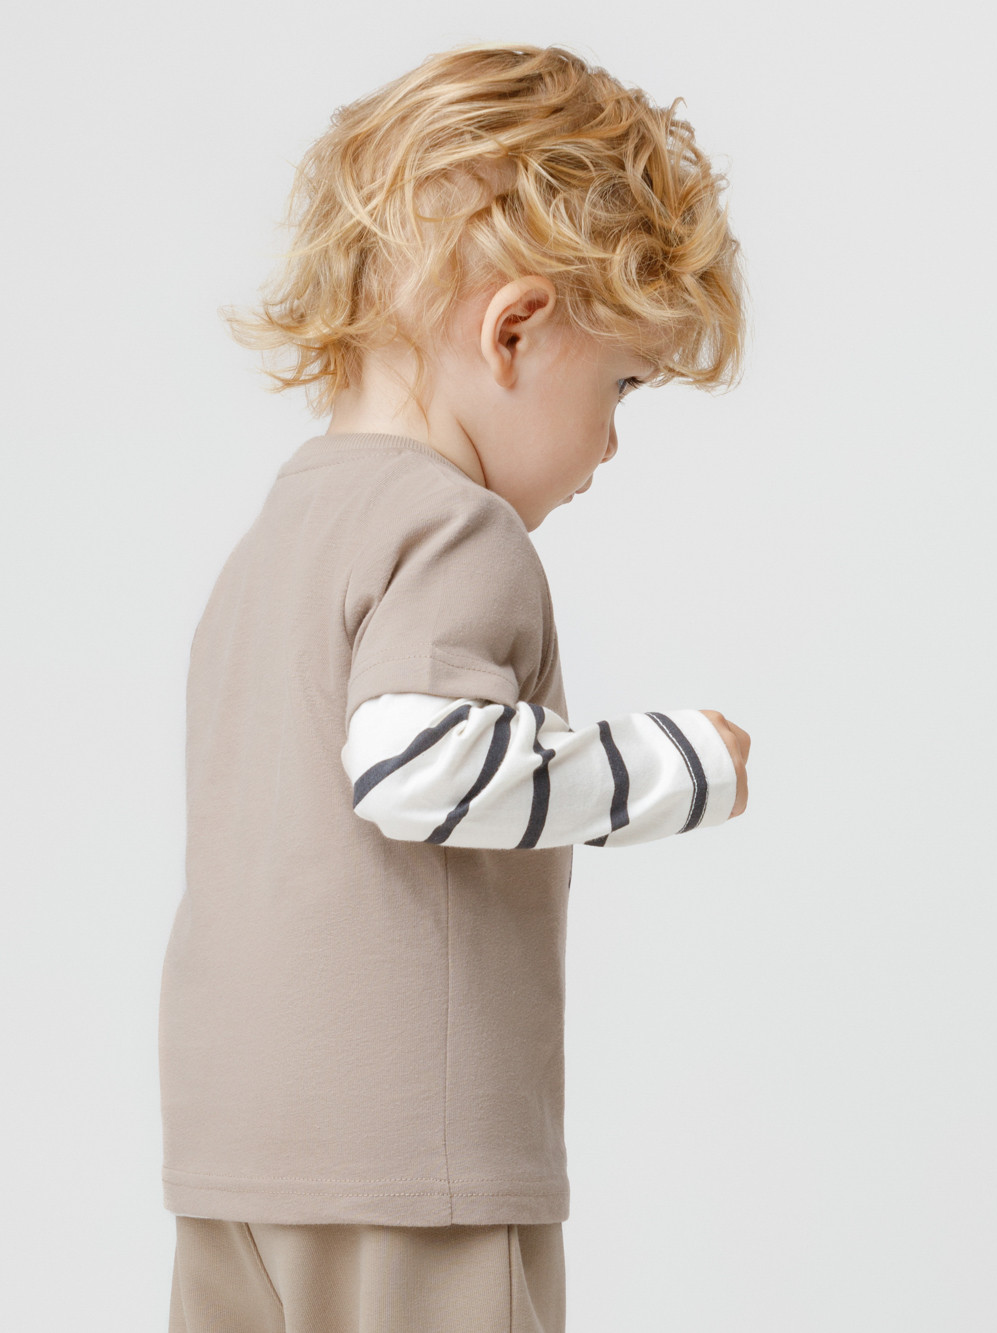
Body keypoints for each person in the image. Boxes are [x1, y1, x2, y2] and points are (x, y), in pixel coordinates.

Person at [161, 39, 752, 1333]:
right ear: (517, 328)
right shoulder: (453, 528)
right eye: (621, 386)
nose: (611, 443)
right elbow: (419, 769)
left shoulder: (271, 544)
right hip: (409, 1166)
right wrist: (671, 766)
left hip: (234, 1159)